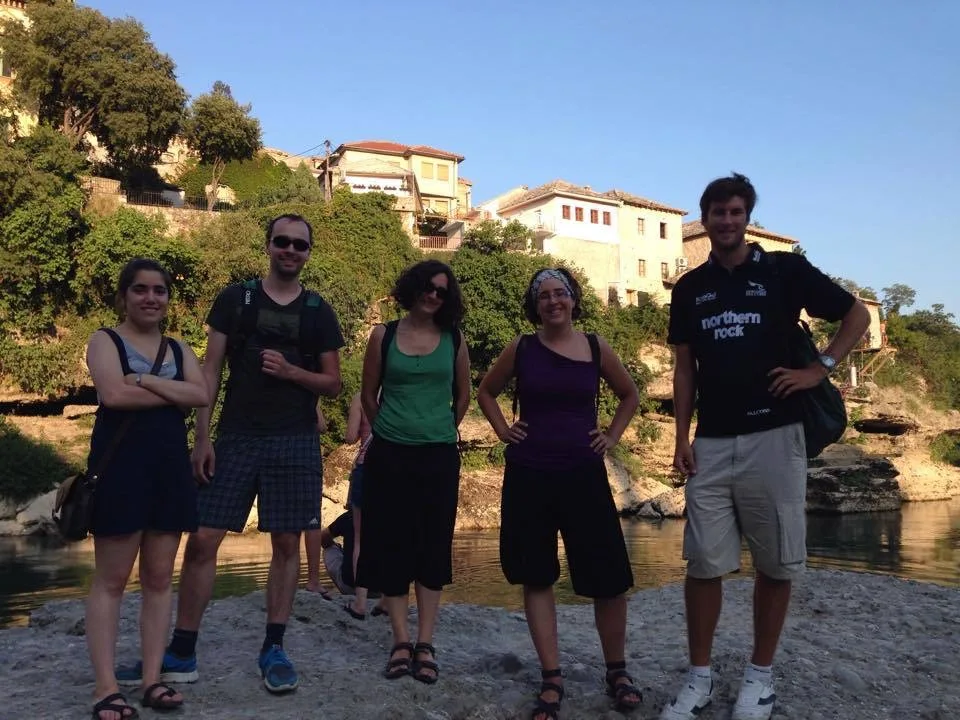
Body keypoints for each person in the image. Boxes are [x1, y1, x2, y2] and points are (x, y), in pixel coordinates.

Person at [660, 174, 870, 720]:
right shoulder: (689, 289)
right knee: (703, 564)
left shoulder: (784, 271)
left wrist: (818, 369)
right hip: (711, 441)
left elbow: (857, 315)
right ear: (703, 219)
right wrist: (680, 437)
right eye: (716, 212)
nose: (726, 221)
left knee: (775, 564)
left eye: (735, 211)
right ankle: (700, 678)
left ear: (746, 217)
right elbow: (685, 370)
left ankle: (759, 676)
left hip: (776, 438)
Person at [117, 213, 345, 695]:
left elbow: (333, 382)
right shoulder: (235, 299)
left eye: (299, 245)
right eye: (281, 241)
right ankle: (182, 648)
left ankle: (274, 647)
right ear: (268, 246)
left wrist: (291, 373)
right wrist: (203, 437)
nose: (289, 250)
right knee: (201, 540)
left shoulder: (318, 311)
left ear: (308, 253)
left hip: (296, 439)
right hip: (237, 435)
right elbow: (210, 370)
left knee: (286, 544)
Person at [476, 267, 643, 719]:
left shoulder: (594, 346)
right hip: (529, 472)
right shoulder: (522, 348)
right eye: (544, 295)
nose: (553, 301)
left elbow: (629, 394)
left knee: (608, 577)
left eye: (560, 293)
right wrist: (503, 431)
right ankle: (552, 677)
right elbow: (486, 391)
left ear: (573, 299)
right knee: (537, 574)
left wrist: (610, 436)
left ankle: (617, 671)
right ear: (536, 305)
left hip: (583, 472)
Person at [84, 259, 208, 720]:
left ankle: (152, 679)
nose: (150, 298)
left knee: (159, 579)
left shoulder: (178, 347)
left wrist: (146, 380)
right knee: (111, 581)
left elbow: (201, 396)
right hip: (121, 470)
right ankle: (105, 687)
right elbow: (112, 396)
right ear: (124, 296)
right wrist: (172, 390)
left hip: (169, 471)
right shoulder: (104, 340)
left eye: (159, 291)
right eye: (140, 290)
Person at [357, 259, 470, 683]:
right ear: (414, 287)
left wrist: (440, 428)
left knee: (432, 545)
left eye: (442, 291)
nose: (433, 295)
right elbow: (369, 395)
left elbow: (463, 396)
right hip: (390, 453)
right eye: (427, 286)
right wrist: (387, 428)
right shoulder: (382, 336)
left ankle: (425, 643)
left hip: (438, 455)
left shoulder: (454, 338)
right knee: (391, 543)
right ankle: (400, 641)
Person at [317, 508, 388, 616]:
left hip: (350, 587)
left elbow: (323, 538)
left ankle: (355, 598)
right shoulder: (395, 517)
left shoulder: (350, 516)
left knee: (329, 549)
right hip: (385, 590)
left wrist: (335, 545)